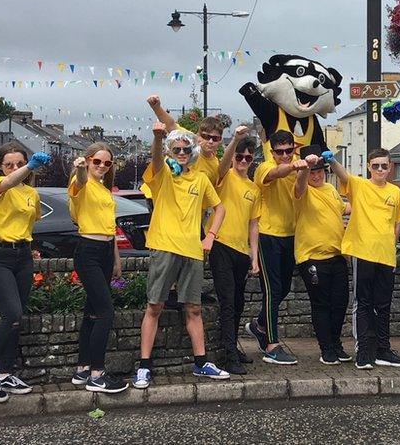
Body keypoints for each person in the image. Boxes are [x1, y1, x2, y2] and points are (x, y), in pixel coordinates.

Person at [133, 124, 229, 388]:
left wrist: (210, 236)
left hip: (192, 250)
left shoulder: (200, 178)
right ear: (170, 151)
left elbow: (219, 209)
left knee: (194, 308)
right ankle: (144, 366)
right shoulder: (163, 173)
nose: (182, 153)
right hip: (164, 246)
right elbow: (155, 159)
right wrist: (156, 136)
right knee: (155, 306)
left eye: (186, 149)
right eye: (177, 149)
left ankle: (200, 363)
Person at [0, 143, 51, 403]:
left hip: (22, 254)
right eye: (10, 164)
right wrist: (29, 167)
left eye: (21, 163)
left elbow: (31, 221)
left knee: (18, 318)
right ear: (0, 166)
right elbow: (7, 184)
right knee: (12, 313)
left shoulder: (31, 192)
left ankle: (6, 372)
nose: (16, 168)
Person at [326, 148, 400, 369]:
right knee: (363, 303)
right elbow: (343, 175)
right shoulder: (360, 186)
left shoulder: (396, 192)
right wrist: (332, 160)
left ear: (390, 167)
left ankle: (383, 350)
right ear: (368, 167)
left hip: (385, 255)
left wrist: (392, 245)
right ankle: (364, 351)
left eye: (384, 165)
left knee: (383, 305)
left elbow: (397, 224)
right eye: (376, 166)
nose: (380, 169)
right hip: (363, 252)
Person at [68, 142, 128, 394]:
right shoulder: (80, 183)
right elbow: (80, 181)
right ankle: (97, 373)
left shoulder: (104, 189)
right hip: (88, 249)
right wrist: (81, 168)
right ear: (88, 160)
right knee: (105, 311)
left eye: (107, 163)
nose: (102, 166)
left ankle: (83, 368)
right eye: (97, 161)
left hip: (104, 250)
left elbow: (110, 228)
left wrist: (116, 259)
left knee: (92, 312)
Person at [246, 130, 307, 365]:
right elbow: (275, 173)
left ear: (294, 149)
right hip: (267, 234)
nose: (284, 156)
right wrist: (293, 166)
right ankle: (272, 345)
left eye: (288, 151)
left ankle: (259, 325)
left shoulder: (296, 168)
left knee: (282, 290)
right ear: (272, 152)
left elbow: (300, 191)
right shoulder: (265, 167)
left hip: (290, 234)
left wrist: (304, 169)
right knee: (272, 290)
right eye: (279, 152)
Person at [209, 126, 261, 375]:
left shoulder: (254, 188)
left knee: (238, 302)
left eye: (247, 158)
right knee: (228, 301)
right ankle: (228, 355)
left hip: (241, 250)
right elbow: (221, 167)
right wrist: (235, 141)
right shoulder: (225, 177)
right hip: (221, 244)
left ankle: (231, 346)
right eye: (239, 157)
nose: (242, 161)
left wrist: (255, 255)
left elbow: (254, 223)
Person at [294, 146, 352, 365]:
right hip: (312, 256)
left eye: (319, 170)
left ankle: (336, 344)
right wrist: (304, 169)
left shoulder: (330, 189)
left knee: (340, 302)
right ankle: (326, 348)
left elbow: (344, 208)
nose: (316, 175)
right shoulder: (302, 190)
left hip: (337, 254)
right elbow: (300, 185)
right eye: (312, 171)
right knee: (321, 304)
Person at [147, 94, 227, 186]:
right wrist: (156, 107)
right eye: (206, 136)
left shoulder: (215, 165)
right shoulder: (190, 140)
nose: (210, 141)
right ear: (198, 135)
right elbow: (171, 125)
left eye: (215, 138)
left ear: (220, 140)